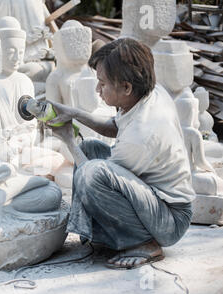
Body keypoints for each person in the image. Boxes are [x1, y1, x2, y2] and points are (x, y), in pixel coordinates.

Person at [46, 38, 195, 270]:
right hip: (154, 199)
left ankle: (146, 243)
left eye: (102, 84)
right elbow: (116, 126)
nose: (97, 89)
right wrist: (73, 113)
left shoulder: (143, 135)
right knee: (90, 149)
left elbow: (90, 178)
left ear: (126, 87)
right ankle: (98, 229)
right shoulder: (150, 92)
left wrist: (67, 139)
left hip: (170, 220)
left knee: (92, 172)